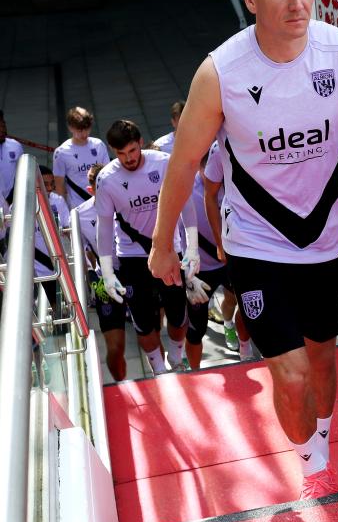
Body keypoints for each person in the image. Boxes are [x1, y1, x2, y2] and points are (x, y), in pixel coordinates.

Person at [147, 0, 338, 501]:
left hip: (323, 243)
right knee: (289, 374)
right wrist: (162, 242)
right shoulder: (220, 72)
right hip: (256, 244)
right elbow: (185, 163)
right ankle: (309, 465)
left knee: (322, 360)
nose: (297, 5)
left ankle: (319, 440)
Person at [96, 119, 197, 375]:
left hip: (168, 250)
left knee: (177, 314)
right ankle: (158, 370)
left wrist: (193, 248)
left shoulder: (162, 163)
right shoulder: (107, 180)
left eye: (131, 150)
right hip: (131, 257)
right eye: (120, 154)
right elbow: (104, 227)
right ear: (112, 150)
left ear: (140, 143)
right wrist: (107, 272)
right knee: (143, 323)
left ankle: (177, 357)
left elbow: (185, 203)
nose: (128, 159)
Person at [183, 146, 254, 368]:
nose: (216, 176)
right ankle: (193, 373)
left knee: (246, 307)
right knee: (196, 329)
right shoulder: (184, 190)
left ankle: (245, 352)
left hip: (232, 260)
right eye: (209, 171)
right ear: (198, 167)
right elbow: (176, 237)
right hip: (200, 270)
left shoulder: (232, 181)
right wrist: (186, 274)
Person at [200, 140, 253, 358]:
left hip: (247, 247)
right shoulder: (201, 189)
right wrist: (220, 245)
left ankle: (244, 344)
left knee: (244, 300)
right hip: (218, 252)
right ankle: (228, 325)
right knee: (230, 300)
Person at [75, 163, 128, 380]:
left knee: (152, 333)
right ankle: (121, 384)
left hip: (135, 271)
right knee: (115, 348)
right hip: (103, 279)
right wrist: (93, 280)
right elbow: (81, 254)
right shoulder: (79, 215)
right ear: (91, 190)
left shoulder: (127, 198)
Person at [53, 106, 111, 209]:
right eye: (79, 130)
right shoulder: (61, 152)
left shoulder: (99, 145)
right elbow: (59, 186)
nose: (84, 133)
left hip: (102, 203)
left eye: (87, 128)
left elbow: (108, 175)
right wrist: (63, 211)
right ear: (70, 127)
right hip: (78, 208)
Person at [36, 165, 71, 311]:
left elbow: (68, 229)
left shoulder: (58, 201)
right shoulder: (20, 204)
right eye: (45, 185)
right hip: (34, 269)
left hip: (55, 266)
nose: (50, 188)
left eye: (52, 184)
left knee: (58, 310)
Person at [0, 109, 24, 206]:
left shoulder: (16, 146)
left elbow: (22, 175)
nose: (2, 130)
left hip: (14, 201)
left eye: (3, 125)